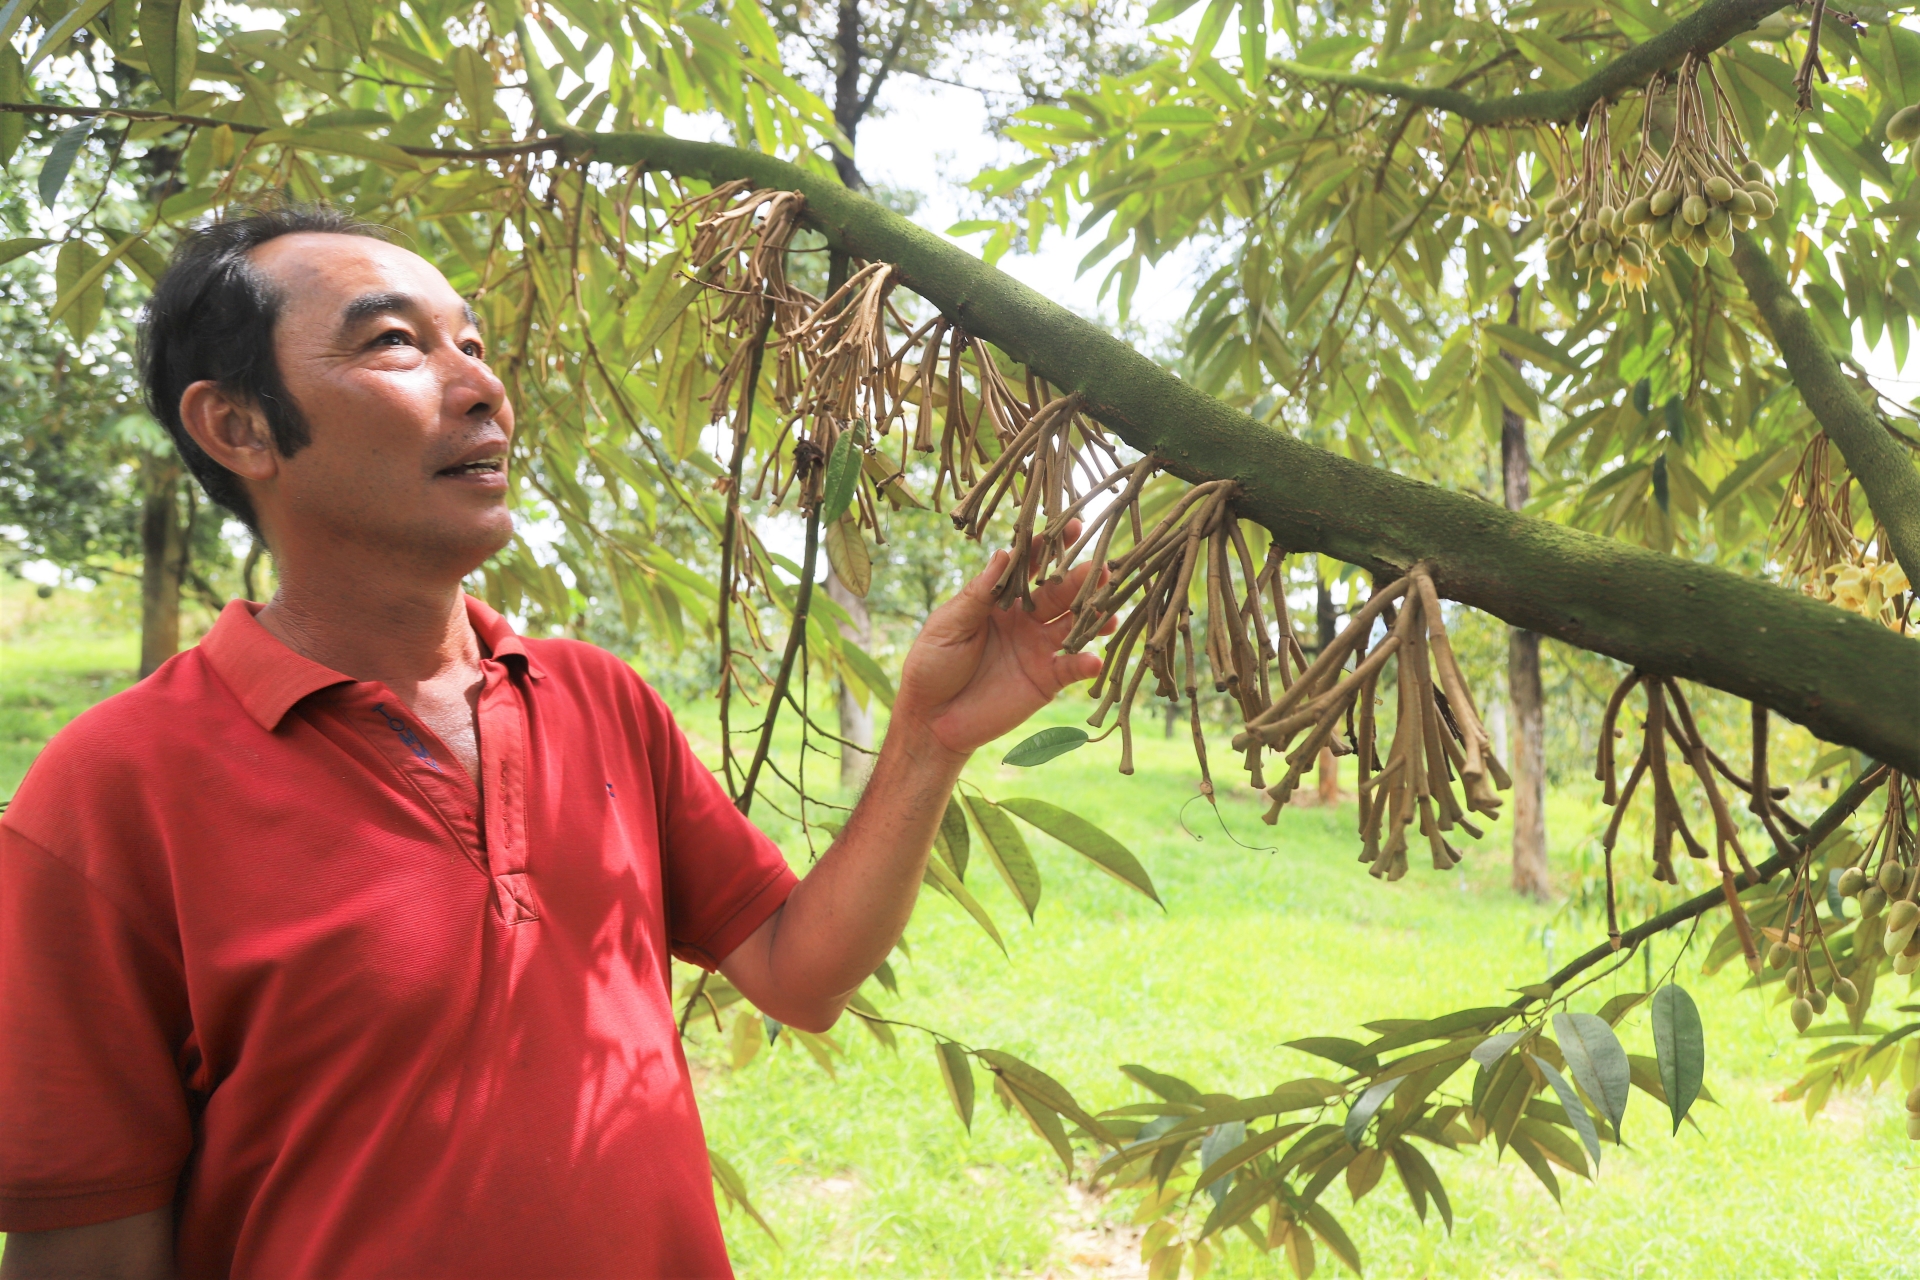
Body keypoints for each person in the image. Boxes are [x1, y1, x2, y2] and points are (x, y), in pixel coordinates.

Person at [0, 206, 1104, 1280]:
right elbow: (86, 1241)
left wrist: (928, 737)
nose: (482, 387)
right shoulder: (110, 793)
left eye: (472, 345)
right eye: (396, 343)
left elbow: (798, 970)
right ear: (239, 427)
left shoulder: (597, 700)